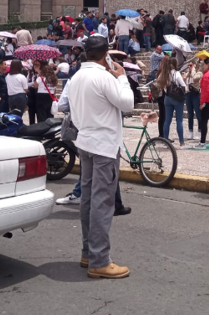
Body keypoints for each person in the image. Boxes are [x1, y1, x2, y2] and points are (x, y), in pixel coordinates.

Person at [62, 35, 133, 278]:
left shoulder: (76, 77)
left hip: (86, 142)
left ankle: (88, 252)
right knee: (102, 203)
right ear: (106, 55)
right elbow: (127, 104)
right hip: (103, 146)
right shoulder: (104, 76)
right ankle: (100, 260)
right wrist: (122, 77)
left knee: (89, 200)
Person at [157, 57, 186, 147]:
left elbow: (160, 84)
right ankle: (181, 142)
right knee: (179, 120)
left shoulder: (163, 74)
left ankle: (166, 141)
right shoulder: (176, 74)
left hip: (167, 98)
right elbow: (184, 86)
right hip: (177, 98)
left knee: (167, 120)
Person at [183, 60, 203, 141]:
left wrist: (193, 70)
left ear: (195, 65)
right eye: (189, 65)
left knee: (198, 114)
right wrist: (188, 73)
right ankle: (190, 131)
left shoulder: (199, 73)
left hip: (196, 94)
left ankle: (200, 131)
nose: (189, 67)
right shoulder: (188, 74)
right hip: (188, 94)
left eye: (191, 65)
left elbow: (195, 78)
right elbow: (183, 79)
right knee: (190, 114)